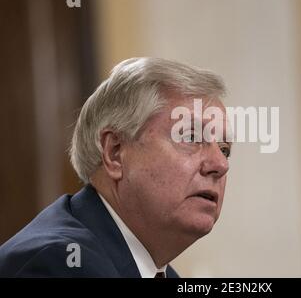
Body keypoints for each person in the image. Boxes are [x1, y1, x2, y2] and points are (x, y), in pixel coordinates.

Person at [0, 57, 231, 277]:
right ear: (115, 152)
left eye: (224, 149)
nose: (220, 164)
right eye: (191, 137)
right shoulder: (59, 264)